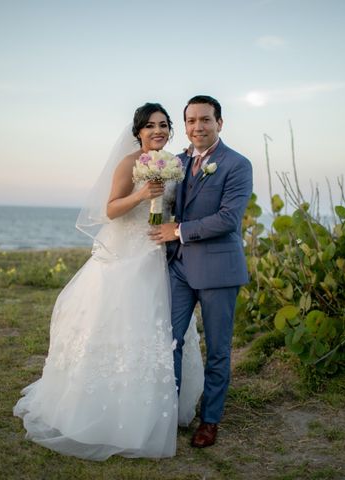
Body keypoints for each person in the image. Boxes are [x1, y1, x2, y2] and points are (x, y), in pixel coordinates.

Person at [13, 103, 203, 461]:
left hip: (157, 256)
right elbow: (110, 208)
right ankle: (105, 410)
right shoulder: (129, 164)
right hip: (124, 257)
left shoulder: (174, 164)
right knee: (117, 326)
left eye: (163, 125)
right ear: (138, 132)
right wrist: (141, 195)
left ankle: (153, 408)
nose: (158, 131)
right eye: (150, 126)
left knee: (160, 331)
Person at [151, 95, 253, 448]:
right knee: (169, 341)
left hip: (219, 271)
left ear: (219, 123)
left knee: (219, 350)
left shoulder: (237, 165)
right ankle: (169, 412)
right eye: (191, 121)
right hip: (178, 267)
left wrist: (177, 230)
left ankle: (210, 420)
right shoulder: (175, 162)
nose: (198, 127)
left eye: (205, 120)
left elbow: (227, 219)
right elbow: (163, 206)